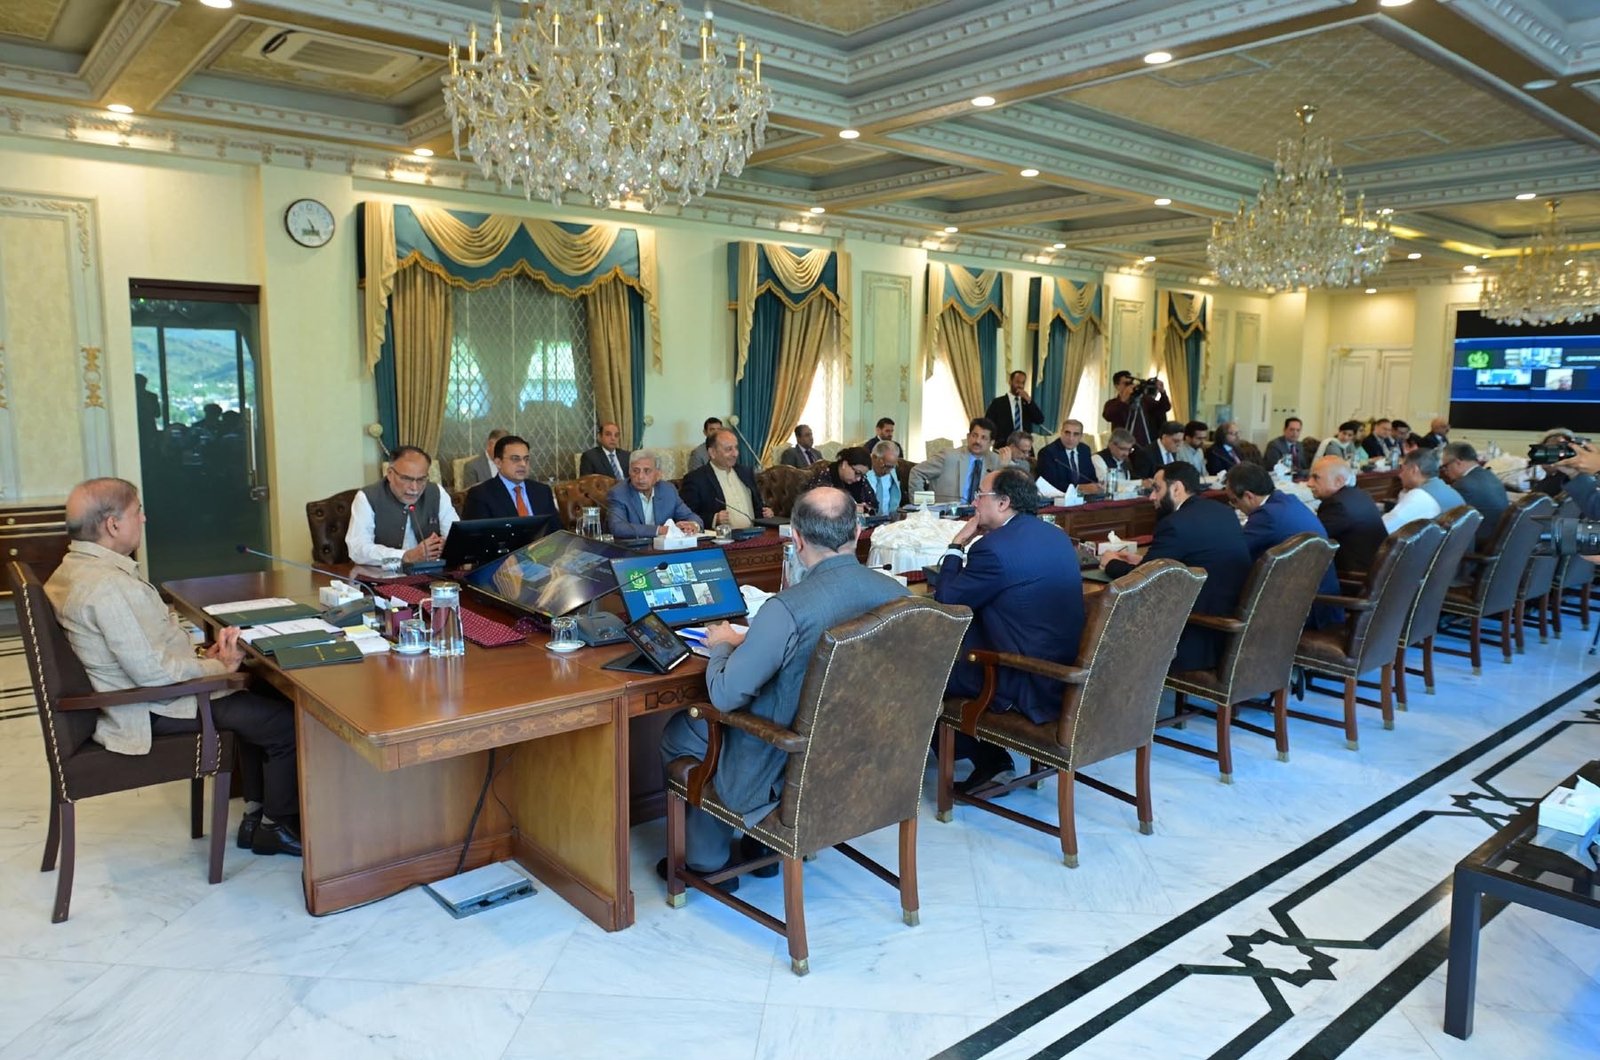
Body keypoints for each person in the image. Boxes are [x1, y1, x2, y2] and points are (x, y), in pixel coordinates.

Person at [656, 487, 907, 883]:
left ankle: (707, 859)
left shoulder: (788, 609)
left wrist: (722, 645)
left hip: (787, 757)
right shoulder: (900, 597)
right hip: (864, 755)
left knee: (683, 730)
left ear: (797, 539)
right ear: (858, 531)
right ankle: (764, 846)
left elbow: (724, 695)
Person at [45, 478, 301, 855]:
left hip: (140, 696)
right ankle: (276, 827)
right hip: (152, 708)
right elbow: (155, 674)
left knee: (257, 692)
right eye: (137, 512)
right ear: (113, 524)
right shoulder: (107, 586)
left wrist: (205, 660)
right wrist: (220, 668)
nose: (144, 519)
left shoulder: (74, 567)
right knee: (286, 722)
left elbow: (146, 653)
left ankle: (256, 815)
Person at [936, 468, 1084, 789]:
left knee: (922, 672)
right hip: (1062, 673)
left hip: (1019, 678)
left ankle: (991, 761)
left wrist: (957, 544)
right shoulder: (1057, 535)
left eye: (979, 495)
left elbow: (947, 602)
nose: (974, 503)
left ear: (1003, 503)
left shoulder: (992, 548)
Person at [1103, 462, 1251, 671]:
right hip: (1229, 635)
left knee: (1111, 619)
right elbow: (1193, 558)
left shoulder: (1175, 523)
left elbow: (1143, 582)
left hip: (1193, 635)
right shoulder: (1224, 512)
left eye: (1157, 489)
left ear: (1176, 488)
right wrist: (1144, 561)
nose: (1151, 497)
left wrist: (1111, 563)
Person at [1226, 463, 1343, 629]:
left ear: (1249, 496)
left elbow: (1235, 553)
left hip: (1302, 612)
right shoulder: (1289, 501)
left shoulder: (1266, 516)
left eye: (1234, 501)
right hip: (1323, 604)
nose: (1236, 507)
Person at [346, 445, 460, 567]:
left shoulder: (436, 492)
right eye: (406, 479)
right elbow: (357, 550)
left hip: (431, 572)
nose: (414, 488)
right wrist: (405, 556)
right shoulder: (367, 497)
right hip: (383, 574)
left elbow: (457, 534)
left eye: (421, 479)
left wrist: (447, 546)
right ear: (390, 474)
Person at [1309, 456, 1387, 576]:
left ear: (1339, 481)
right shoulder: (1360, 494)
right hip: (1377, 570)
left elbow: (1310, 540)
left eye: (1316, 478)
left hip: (1355, 579)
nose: (1309, 483)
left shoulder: (1336, 505)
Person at [680, 428, 772, 529]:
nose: (735, 454)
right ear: (712, 453)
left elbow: (758, 506)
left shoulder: (746, 472)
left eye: (736, 448)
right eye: (729, 449)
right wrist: (714, 519)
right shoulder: (696, 479)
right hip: (724, 537)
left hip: (756, 534)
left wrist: (766, 512)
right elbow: (686, 517)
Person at [607, 449, 701, 539]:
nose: (640, 477)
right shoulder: (618, 493)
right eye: (635, 471)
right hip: (632, 548)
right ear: (629, 472)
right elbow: (617, 527)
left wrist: (693, 525)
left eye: (647, 471)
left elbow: (691, 516)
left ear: (658, 474)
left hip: (665, 547)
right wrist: (659, 530)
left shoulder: (668, 491)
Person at [461, 434, 557, 521]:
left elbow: (556, 529)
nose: (523, 464)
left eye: (526, 459)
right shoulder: (480, 495)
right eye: (515, 459)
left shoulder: (542, 491)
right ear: (498, 463)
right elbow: (477, 533)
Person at [910, 418, 1008, 503]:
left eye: (983, 438)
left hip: (981, 517)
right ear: (968, 436)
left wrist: (1004, 468)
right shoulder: (949, 456)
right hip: (946, 516)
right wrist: (922, 506)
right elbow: (917, 472)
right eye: (974, 435)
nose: (977, 441)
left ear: (991, 442)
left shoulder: (998, 461)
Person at [1440, 441, 1508, 547]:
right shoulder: (1489, 475)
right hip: (1497, 537)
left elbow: (1447, 519)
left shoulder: (1464, 485)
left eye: (1445, 466)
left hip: (1480, 541)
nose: (1445, 471)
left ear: (1458, 462)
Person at [1383, 448, 1461, 532]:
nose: (1400, 475)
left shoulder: (1421, 495)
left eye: (1402, 469)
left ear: (1414, 470)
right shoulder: (1446, 488)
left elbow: (1383, 528)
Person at [1102, 370, 1170, 447]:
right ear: (1117, 386)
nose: (1130, 386)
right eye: (1126, 383)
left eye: (1131, 383)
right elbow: (1108, 416)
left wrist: (1162, 392)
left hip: (1144, 445)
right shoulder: (1112, 403)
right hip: (1122, 446)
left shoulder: (1143, 400)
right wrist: (1123, 400)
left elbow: (1164, 407)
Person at [1037, 419, 1101, 495]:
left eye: (1076, 434)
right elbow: (1051, 484)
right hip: (1059, 498)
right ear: (1061, 433)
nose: (1071, 438)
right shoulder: (1047, 453)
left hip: (1085, 497)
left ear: (1081, 436)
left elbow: (1092, 478)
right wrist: (1079, 488)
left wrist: (1097, 486)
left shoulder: (1084, 450)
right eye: (1067, 433)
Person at [809, 446, 875, 513]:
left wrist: (866, 508)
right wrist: (852, 509)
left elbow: (873, 503)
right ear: (844, 464)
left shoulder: (861, 480)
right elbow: (820, 508)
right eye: (857, 473)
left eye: (862, 475)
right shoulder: (825, 478)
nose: (859, 479)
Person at [985, 370, 1044, 439]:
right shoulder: (997, 403)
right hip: (1005, 443)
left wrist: (1029, 401)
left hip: (1024, 443)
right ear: (1010, 381)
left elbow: (1040, 420)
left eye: (1023, 383)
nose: (1020, 386)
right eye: (1017, 382)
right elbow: (988, 424)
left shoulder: (1026, 403)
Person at [865, 441, 902, 513]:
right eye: (885, 466)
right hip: (868, 518)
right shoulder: (862, 473)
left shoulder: (893, 471)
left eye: (891, 467)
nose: (887, 472)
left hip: (888, 518)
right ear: (874, 457)